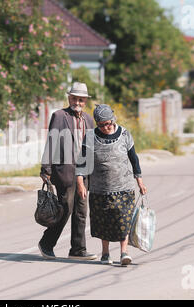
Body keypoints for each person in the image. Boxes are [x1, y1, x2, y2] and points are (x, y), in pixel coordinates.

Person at [76, 104, 147, 266]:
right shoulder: (91, 136)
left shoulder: (125, 134)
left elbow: (134, 159)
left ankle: (124, 253)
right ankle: (105, 253)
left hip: (124, 187)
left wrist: (140, 180)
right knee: (103, 222)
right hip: (99, 189)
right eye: (101, 125)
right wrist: (80, 182)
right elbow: (82, 161)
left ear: (113, 120)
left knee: (124, 220)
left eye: (108, 123)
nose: (105, 127)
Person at [38, 82, 97, 261]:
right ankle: (47, 243)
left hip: (85, 171)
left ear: (85, 101)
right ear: (69, 98)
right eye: (74, 98)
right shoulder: (59, 116)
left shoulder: (89, 119)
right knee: (65, 208)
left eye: (80, 99)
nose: (77, 102)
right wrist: (46, 168)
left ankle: (78, 250)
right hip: (65, 171)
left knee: (81, 210)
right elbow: (52, 141)